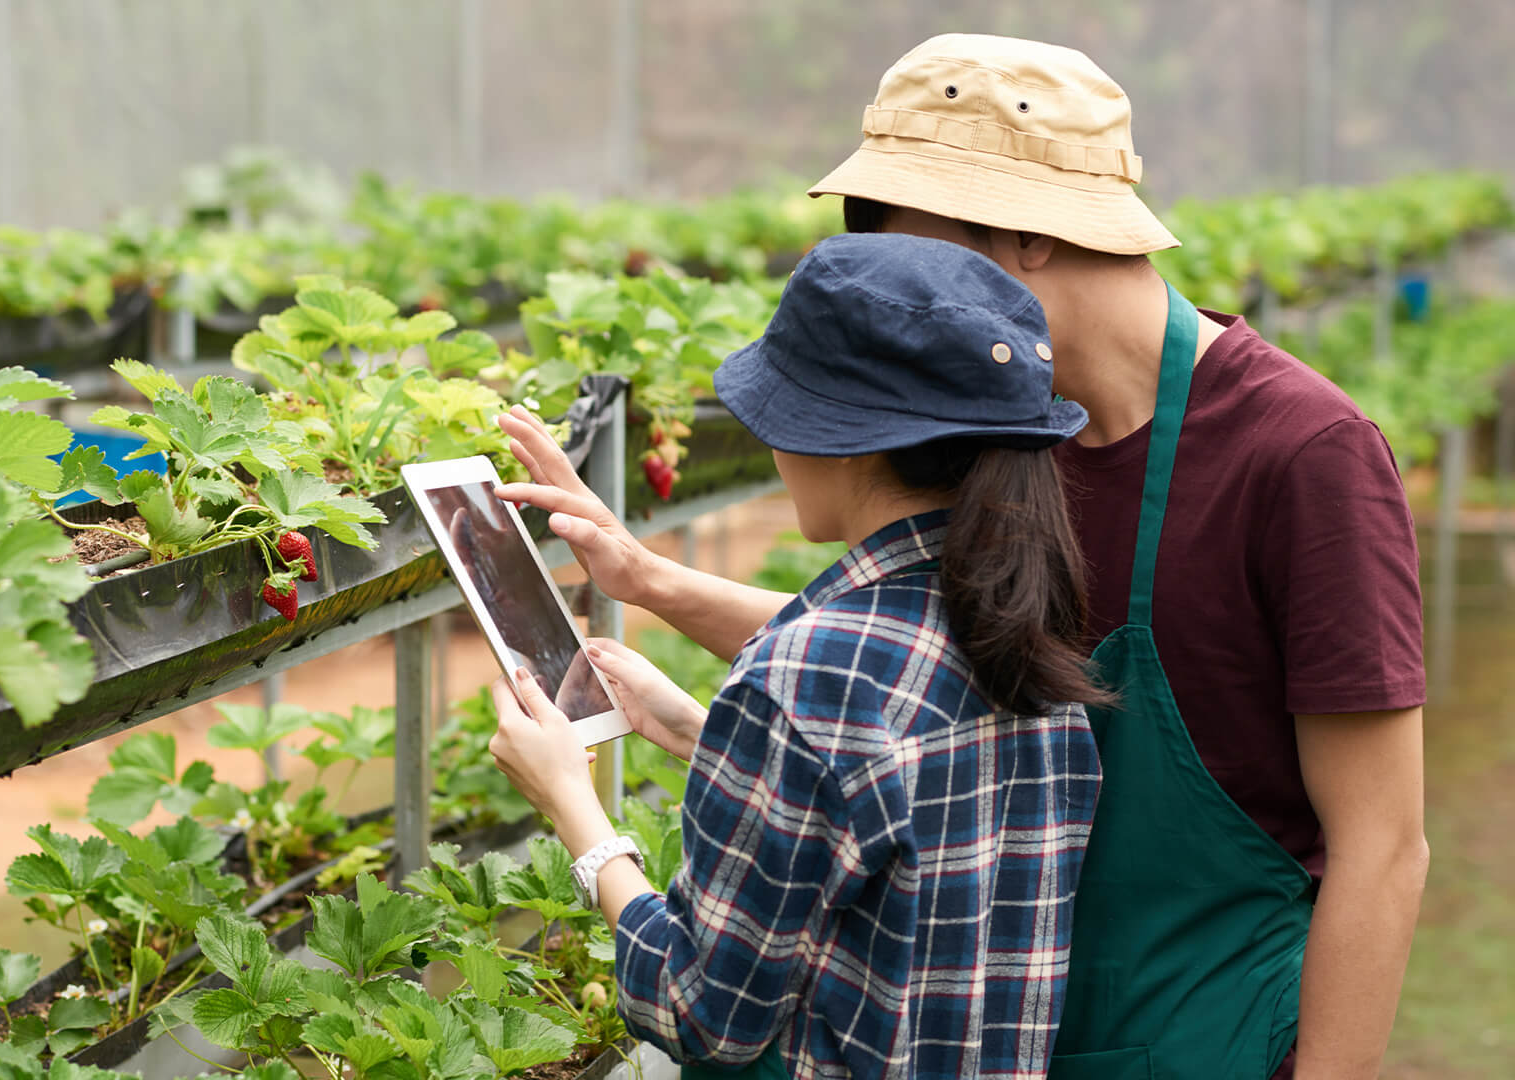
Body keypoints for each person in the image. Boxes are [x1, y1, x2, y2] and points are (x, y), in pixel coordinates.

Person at [496, 33, 1427, 1080]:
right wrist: (648, 580)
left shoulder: (1302, 453)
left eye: (901, 232)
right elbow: (920, 662)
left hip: (1201, 1038)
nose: (888, 272)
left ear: (1024, 232)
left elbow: (1383, 845)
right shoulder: (1000, 436)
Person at [489, 231, 1104, 1079]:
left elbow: (703, 1013)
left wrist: (571, 805)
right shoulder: (1024, 620)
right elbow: (896, 834)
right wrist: (705, 734)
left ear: (844, 439)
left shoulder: (805, 680)